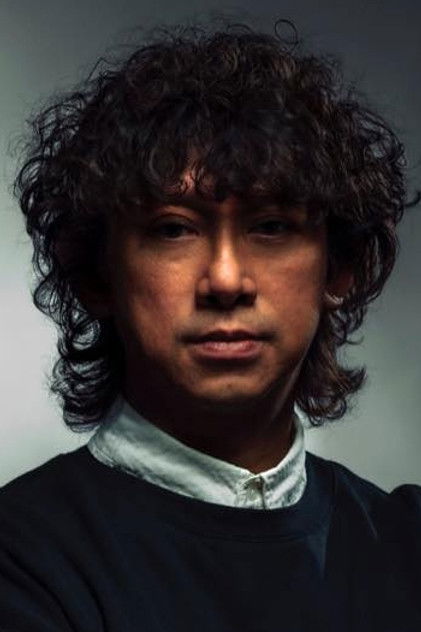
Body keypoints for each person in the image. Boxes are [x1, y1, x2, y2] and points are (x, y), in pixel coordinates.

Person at [1, 19, 420, 632]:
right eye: (173, 229)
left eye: (271, 226)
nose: (225, 280)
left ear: (339, 269)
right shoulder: (21, 558)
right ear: (96, 274)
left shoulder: (407, 542)